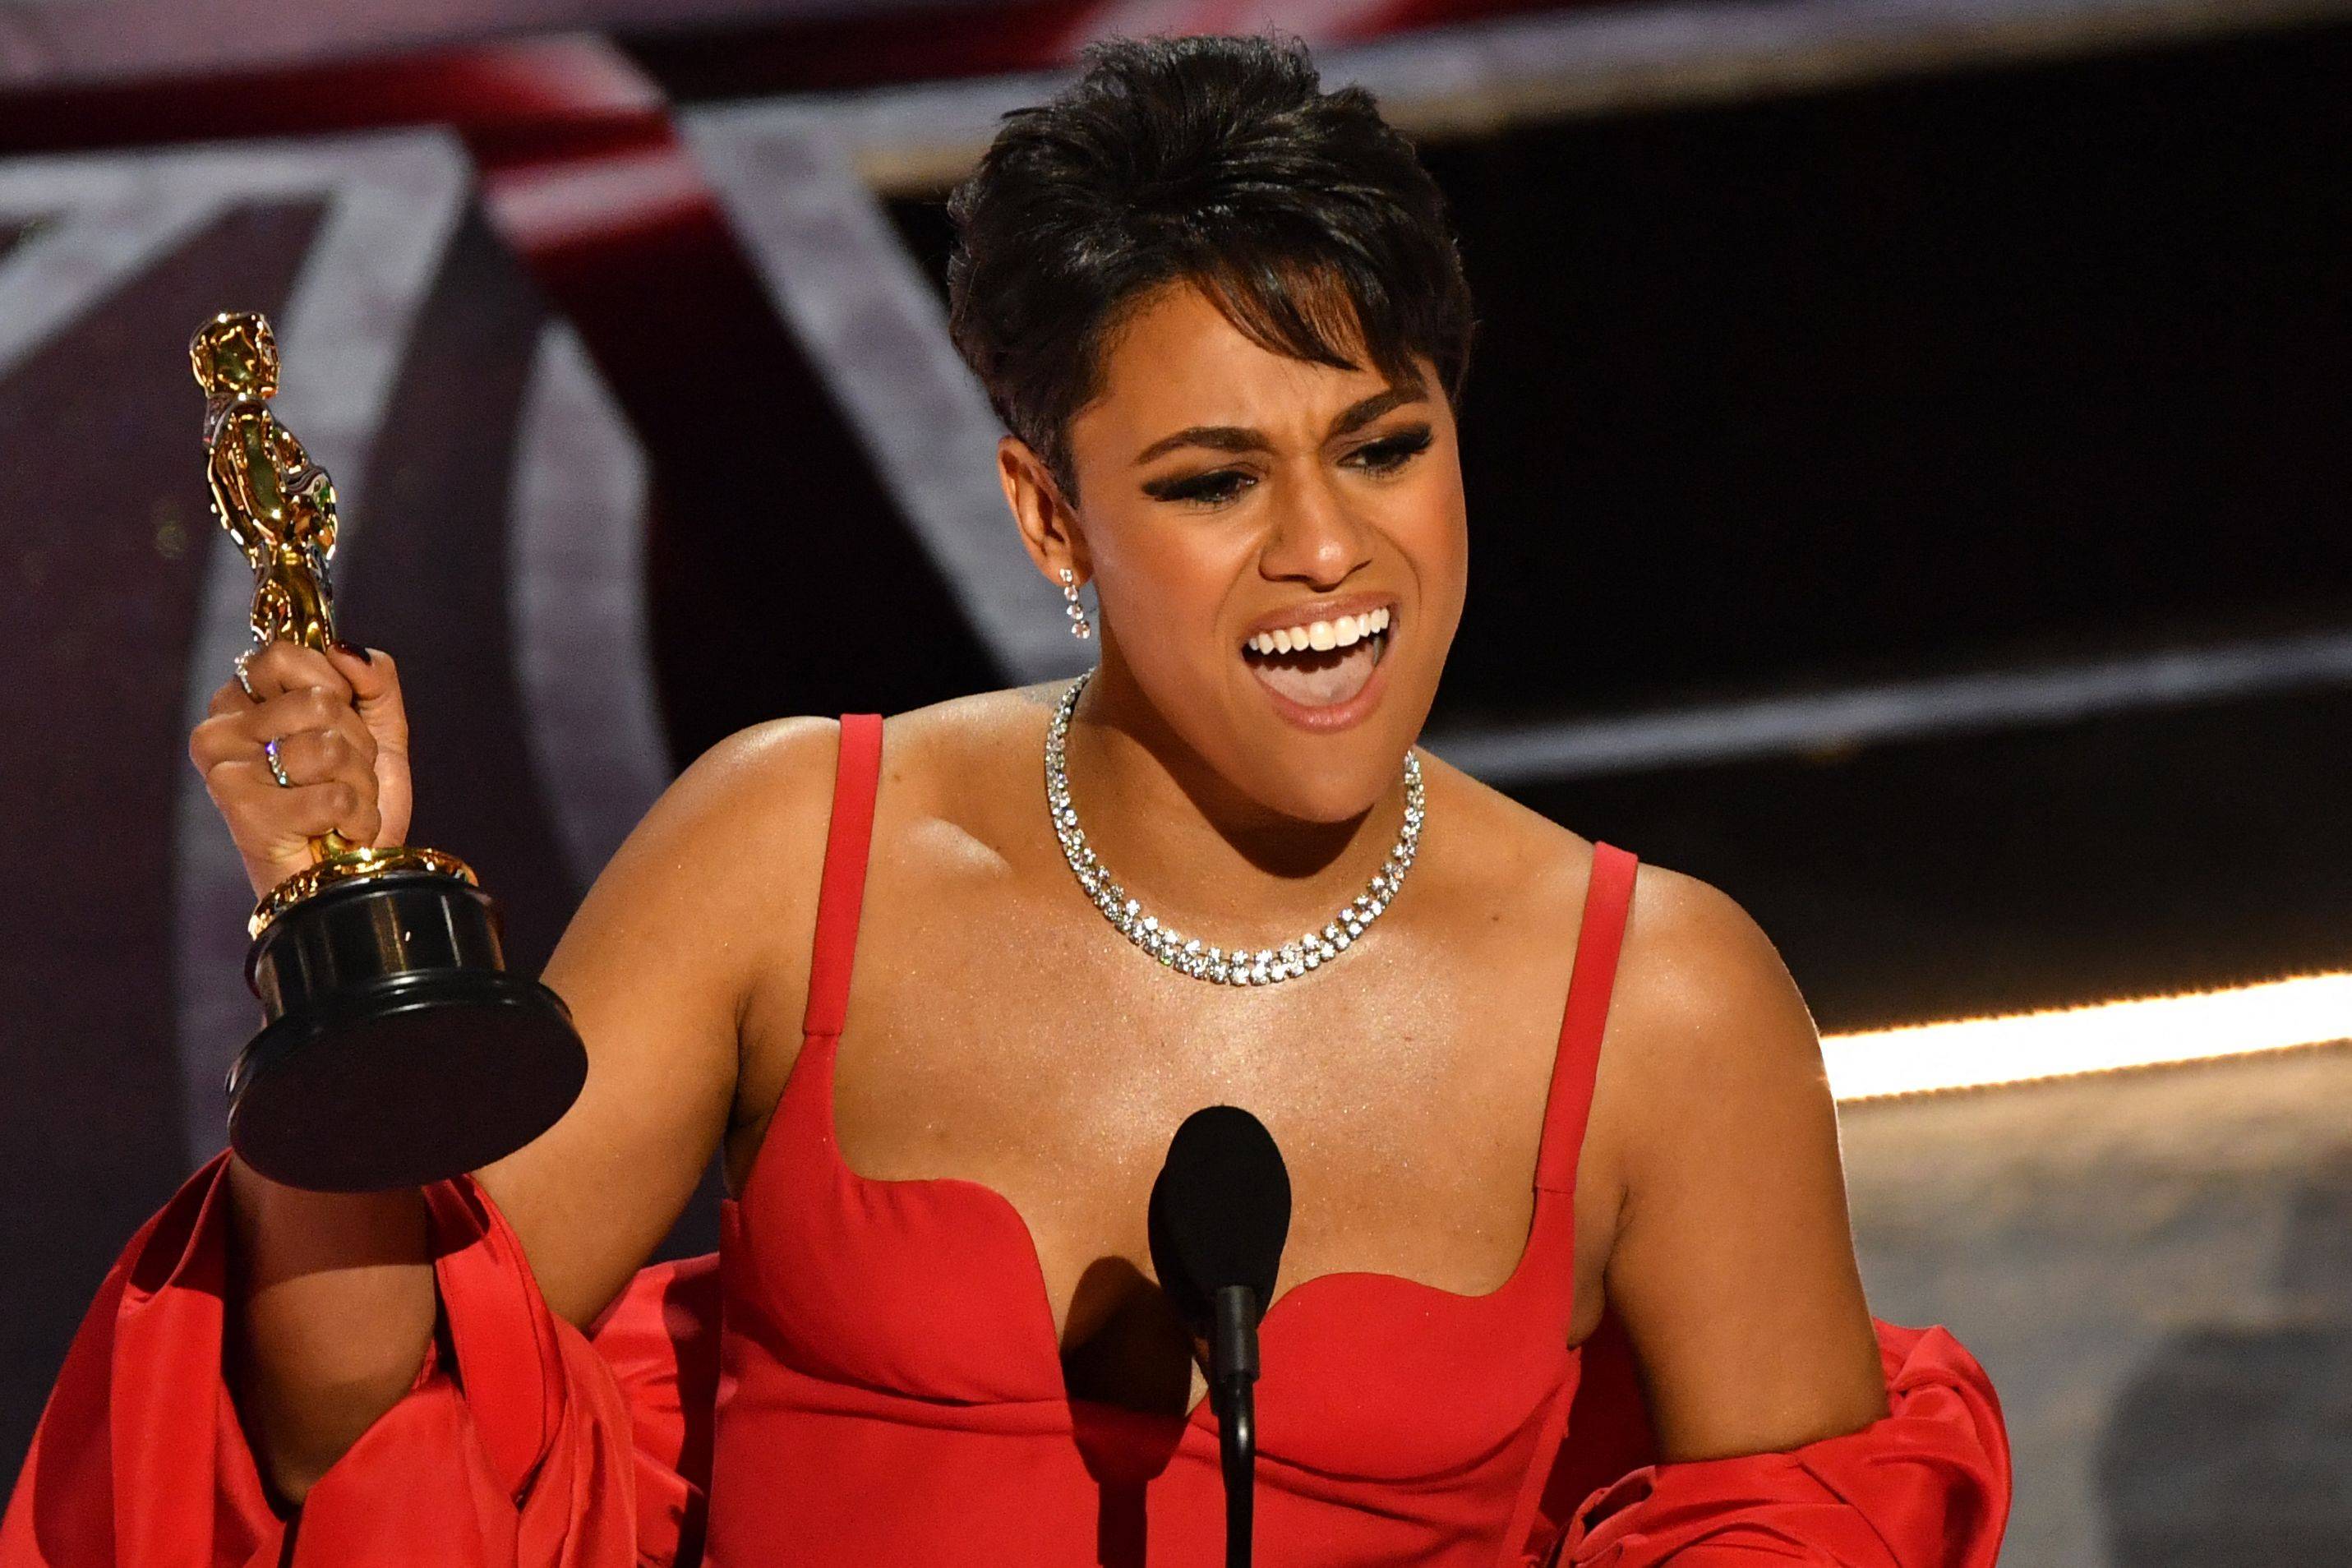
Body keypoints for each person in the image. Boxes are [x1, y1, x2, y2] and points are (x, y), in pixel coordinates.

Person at [2, 32, 2007, 1567]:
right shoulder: (797, 851)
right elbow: (370, 1447)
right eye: (1213, 481)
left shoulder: (1665, 1007)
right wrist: (345, 977)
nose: (1330, 550)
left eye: (1382, 448)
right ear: (1049, 509)